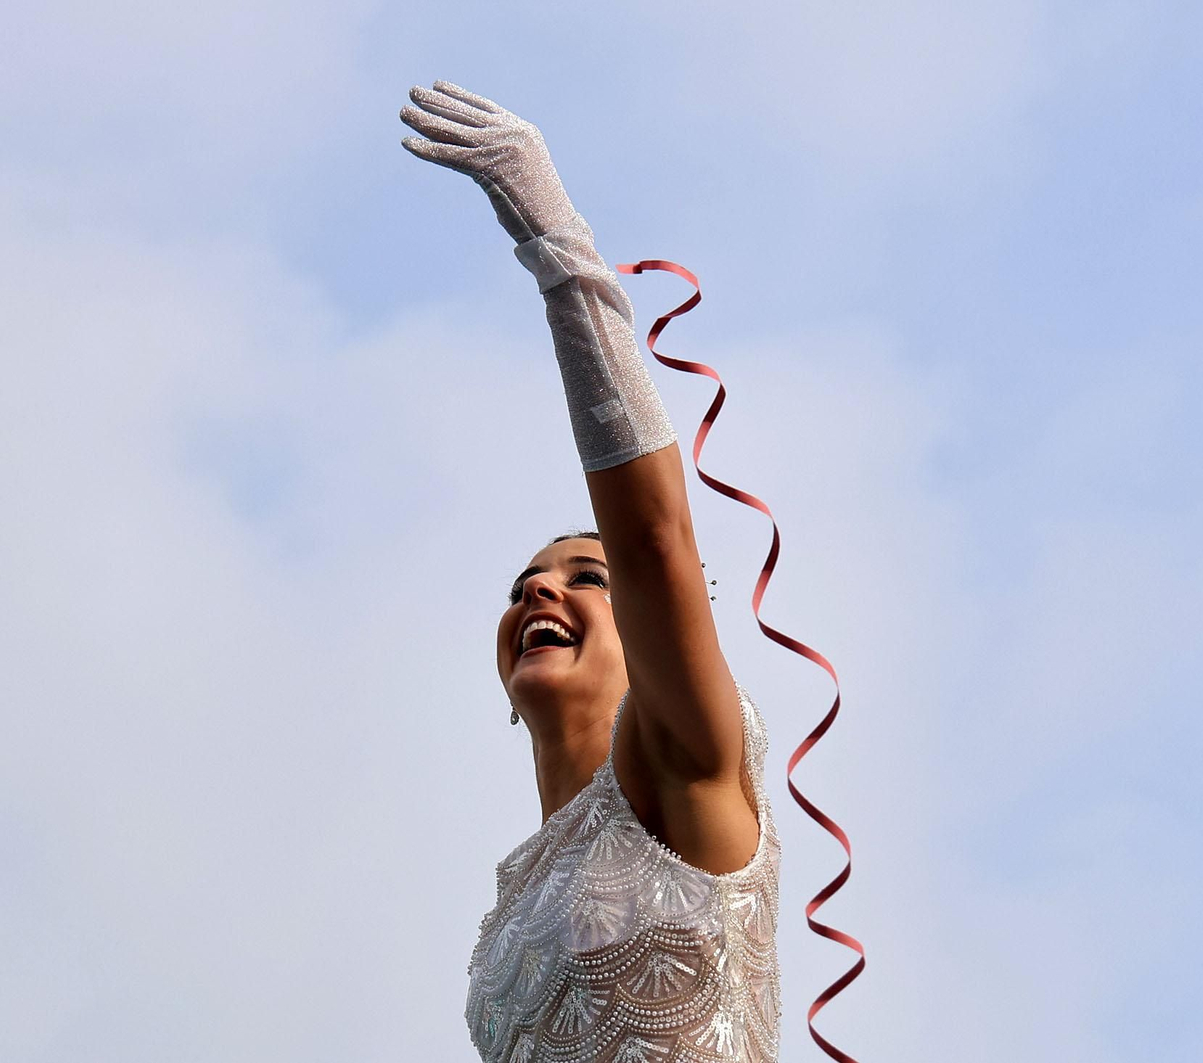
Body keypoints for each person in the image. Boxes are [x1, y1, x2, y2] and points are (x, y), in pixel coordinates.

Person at [401, 83, 783, 1062]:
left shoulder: (686, 762)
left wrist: (556, 246)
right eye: (525, 579)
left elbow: (654, 537)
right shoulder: (517, 894)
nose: (539, 590)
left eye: (585, 577)